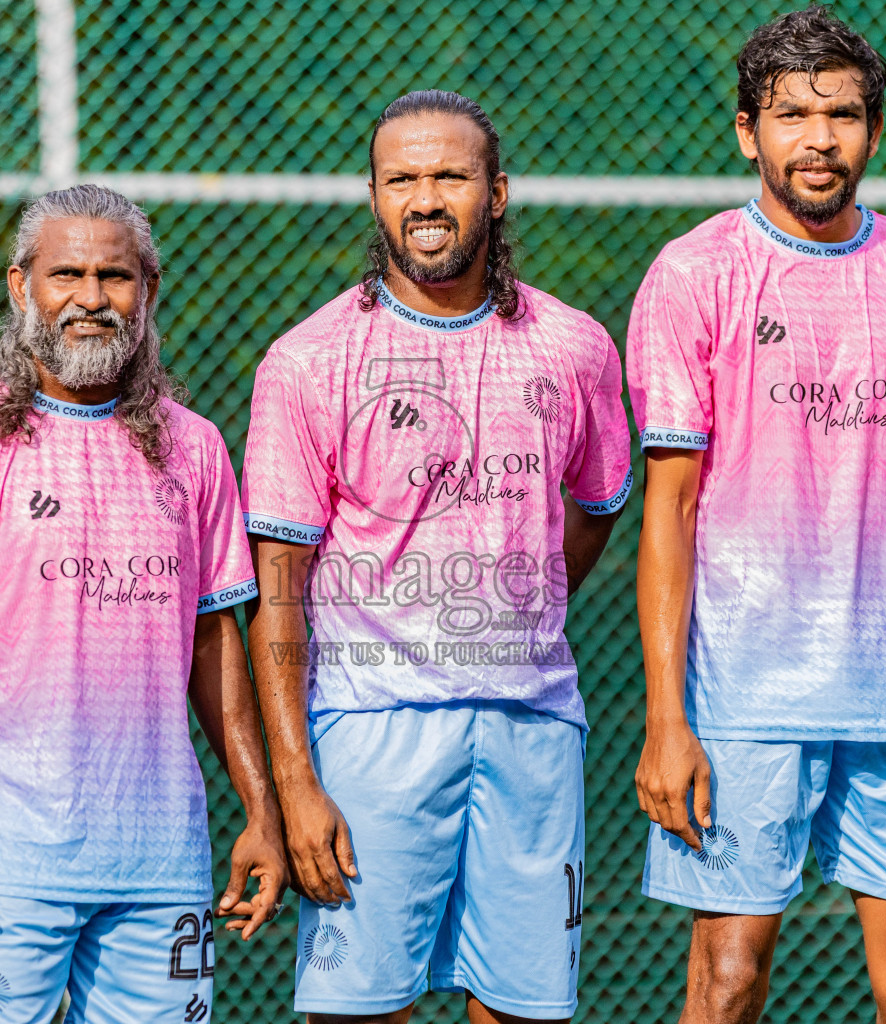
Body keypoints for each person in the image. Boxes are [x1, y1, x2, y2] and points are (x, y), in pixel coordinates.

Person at [627, 7, 886, 1023]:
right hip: (741, 701)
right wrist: (667, 717)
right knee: (728, 978)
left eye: (844, 115)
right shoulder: (694, 273)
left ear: (874, 132)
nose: (819, 138)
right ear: (746, 132)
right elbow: (667, 511)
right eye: (793, 114)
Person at [242, 90, 631, 1023]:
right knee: (360, 1012)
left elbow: (595, 507)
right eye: (402, 178)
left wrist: (522, 601)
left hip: (532, 731)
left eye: (450, 176)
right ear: (374, 196)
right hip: (372, 732)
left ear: (497, 193)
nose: (426, 198)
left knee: (525, 1012)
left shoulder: (574, 346)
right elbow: (279, 595)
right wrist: (296, 785)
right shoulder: (308, 362)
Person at [0, 184, 286, 1023]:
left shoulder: (197, 448)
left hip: (160, 866)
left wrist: (261, 809)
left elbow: (216, 643)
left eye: (116, 276)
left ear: (149, 290)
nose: (91, 298)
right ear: (19, 287)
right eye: (66, 274)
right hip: (7, 866)